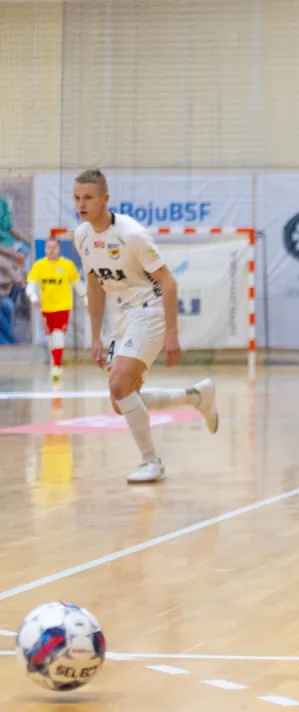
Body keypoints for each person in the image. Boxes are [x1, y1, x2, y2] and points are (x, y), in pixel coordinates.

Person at [73, 169, 219, 484]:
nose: (81, 204)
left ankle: (151, 461)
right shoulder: (82, 236)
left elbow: (168, 281)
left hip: (149, 311)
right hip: (121, 316)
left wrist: (171, 332)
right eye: (77, 198)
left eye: (88, 197)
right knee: (121, 400)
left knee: (118, 386)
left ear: (105, 199)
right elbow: (95, 284)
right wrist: (96, 335)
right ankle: (197, 397)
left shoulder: (132, 235)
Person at [26, 238, 84, 383]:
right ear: (45, 250)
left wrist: (86, 299)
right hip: (46, 308)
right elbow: (30, 285)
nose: (51, 250)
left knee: (58, 335)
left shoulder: (67, 265)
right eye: (48, 247)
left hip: (63, 307)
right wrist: (33, 297)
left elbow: (78, 284)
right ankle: (55, 362)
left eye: (54, 247)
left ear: (59, 249)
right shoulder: (39, 266)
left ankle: (57, 367)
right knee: (51, 338)